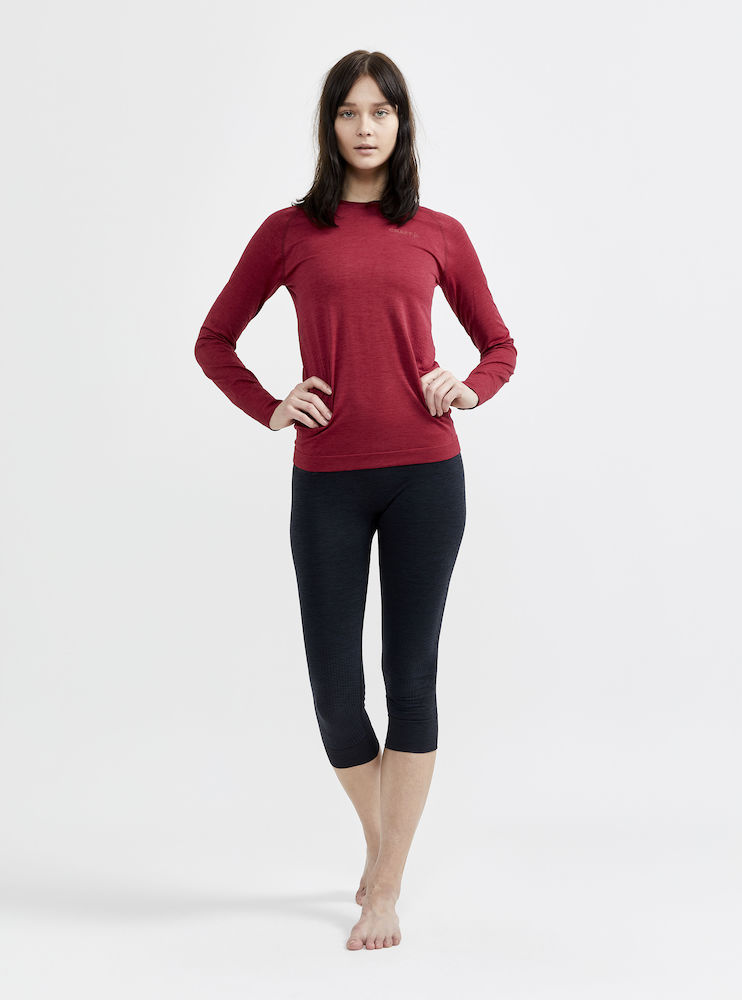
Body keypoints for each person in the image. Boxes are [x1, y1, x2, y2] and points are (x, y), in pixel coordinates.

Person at [194, 50, 517, 952]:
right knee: (338, 694)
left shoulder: (439, 232)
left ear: (401, 124)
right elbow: (215, 340)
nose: (365, 127)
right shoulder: (290, 231)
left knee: (411, 680)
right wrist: (271, 405)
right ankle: (383, 848)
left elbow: (499, 344)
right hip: (327, 479)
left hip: (426, 476)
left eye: (381, 111)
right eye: (348, 112)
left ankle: (387, 887)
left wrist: (470, 388)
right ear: (329, 124)